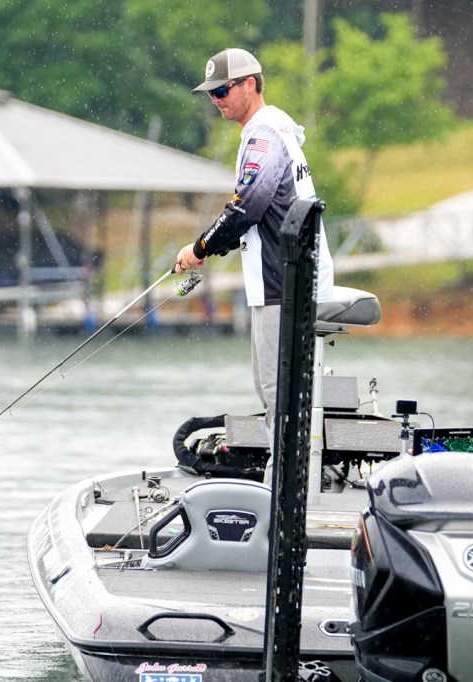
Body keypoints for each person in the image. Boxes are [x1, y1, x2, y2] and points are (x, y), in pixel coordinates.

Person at [175, 47, 334, 484]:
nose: (216, 100)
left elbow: (248, 204)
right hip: (291, 278)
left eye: (222, 91)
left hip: (285, 282)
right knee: (275, 391)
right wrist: (215, 244)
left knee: (277, 393)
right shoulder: (278, 125)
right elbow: (259, 210)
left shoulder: (262, 134)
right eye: (211, 94)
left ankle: (284, 489)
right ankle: (289, 478)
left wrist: (201, 247)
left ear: (250, 84)